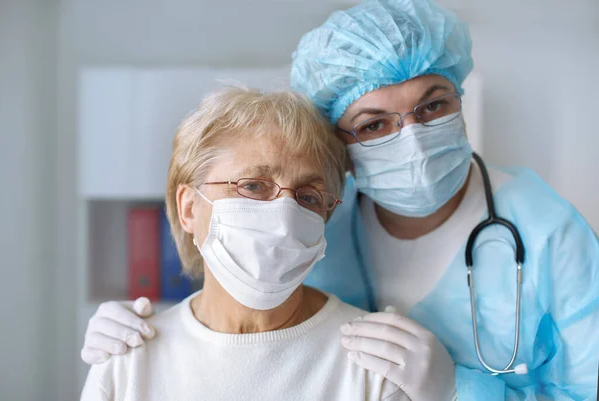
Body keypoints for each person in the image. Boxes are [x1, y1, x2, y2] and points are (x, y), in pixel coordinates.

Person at [80, 0, 599, 400]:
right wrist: (146, 337)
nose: (414, 138)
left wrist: (457, 390)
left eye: (433, 105)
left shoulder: (548, 232)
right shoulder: (317, 213)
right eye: (374, 123)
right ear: (343, 151)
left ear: (460, 99)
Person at [81, 87, 409, 401]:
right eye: (253, 186)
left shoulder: (370, 365)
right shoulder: (128, 360)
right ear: (189, 208)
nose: (284, 217)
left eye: (308, 196)